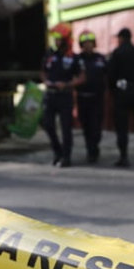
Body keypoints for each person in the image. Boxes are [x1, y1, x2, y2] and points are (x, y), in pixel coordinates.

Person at [38, 22, 86, 167]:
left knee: (66, 128)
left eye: (59, 38)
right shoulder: (49, 55)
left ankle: (66, 157)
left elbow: (82, 77)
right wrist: (46, 81)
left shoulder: (74, 58)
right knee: (48, 125)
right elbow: (42, 72)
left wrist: (68, 84)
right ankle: (57, 152)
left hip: (65, 96)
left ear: (65, 40)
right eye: (55, 38)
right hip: (50, 95)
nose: (56, 41)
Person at [106, 27, 134, 167]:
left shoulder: (117, 53)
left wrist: (113, 90)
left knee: (122, 127)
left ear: (121, 38)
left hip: (123, 92)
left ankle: (124, 157)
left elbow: (111, 75)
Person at [74, 30, 108, 164]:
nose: (88, 45)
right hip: (82, 98)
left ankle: (95, 147)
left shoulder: (101, 58)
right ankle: (91, 151)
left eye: (90, 43)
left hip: (97, 98)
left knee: (96, 127)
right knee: (86, 126)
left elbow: (108, 74)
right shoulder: (77, 60)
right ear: (82, 45)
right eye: (85, 43)